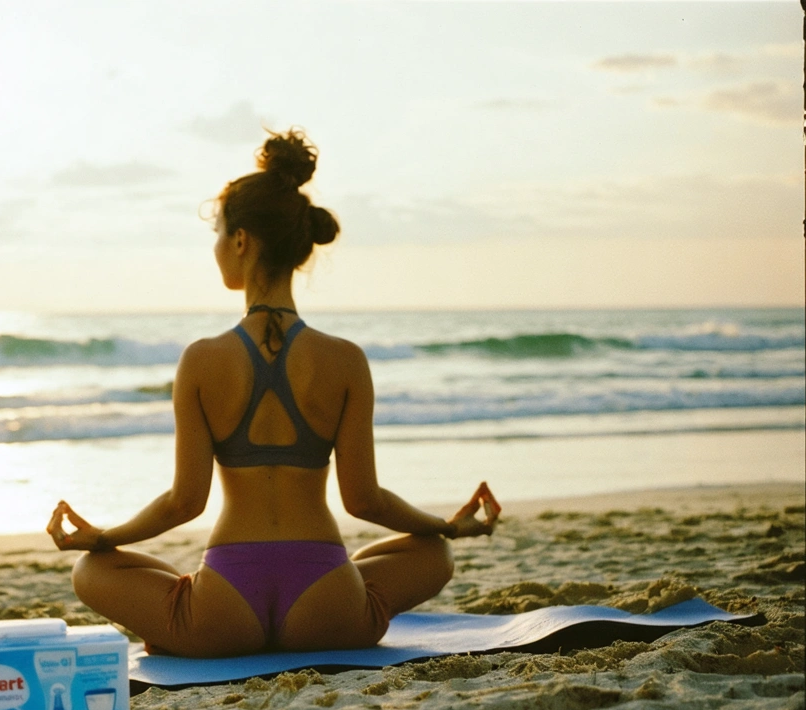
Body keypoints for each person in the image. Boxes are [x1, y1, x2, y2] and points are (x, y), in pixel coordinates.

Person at [47, 129, 500, 658]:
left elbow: (184, 503)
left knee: (91, 569)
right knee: (435, 553)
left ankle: (189, 625)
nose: (216, 248)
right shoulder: (345, 359)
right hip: (327, 601)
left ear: (241, 240)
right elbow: (364, 500)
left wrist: (105, 537)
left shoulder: (201, 359)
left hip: (225, 607)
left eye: (218, 233)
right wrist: (446, 527)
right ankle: (351, 607)